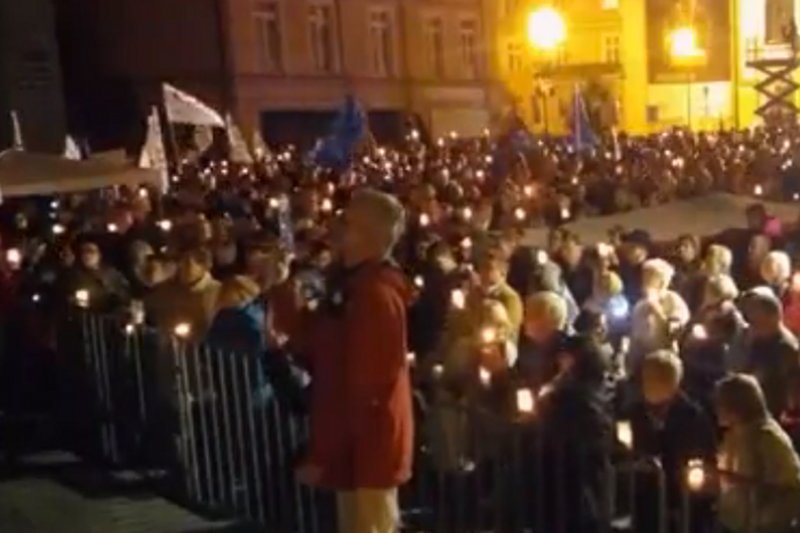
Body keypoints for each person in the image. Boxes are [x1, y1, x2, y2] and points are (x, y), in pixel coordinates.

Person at [296, 189, 413, 533]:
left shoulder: (374, 297)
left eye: (345, 221)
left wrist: (325, 453)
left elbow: (367, 388)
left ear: (366, 233)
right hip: (353, 446)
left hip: (368, 446)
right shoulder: (352, 287)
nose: (335, 226)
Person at [629, 350, 716, 532]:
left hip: (681, 497)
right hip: (646, 493)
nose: (650, 384)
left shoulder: (692, 415)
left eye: (658, 378)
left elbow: (700, 453)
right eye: (648, 377)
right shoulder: (635, 411)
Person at [537, 336, 613, 533]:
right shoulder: (585, 388)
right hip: (573, 471)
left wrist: (549, 400)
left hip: (572, 472)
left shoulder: (574, 396)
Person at [715, 374, 800, 533]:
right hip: (735, 523)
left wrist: (740, 481)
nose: (718, 410)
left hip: (765, 525)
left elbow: (789, 485)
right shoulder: (733, 435)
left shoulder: (768, 438)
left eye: (722, 404)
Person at [740, 288, 800, 419]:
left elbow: (792, 393)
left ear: (774, 318)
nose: (753, 326)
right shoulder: (759, 341)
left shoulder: (786, 349)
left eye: (758, 321)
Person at [628, 258, 690, 377]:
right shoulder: (640, 305)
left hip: (663, 364)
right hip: (639, 364)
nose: (643, 281)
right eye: (643, 276)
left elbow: (673, 332)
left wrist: (655, 308)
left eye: (649, 276)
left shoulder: (673, 300)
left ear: (662, 281)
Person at [145, 246, 222, 339]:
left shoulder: (217, 291)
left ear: (203, 267)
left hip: (201, 346)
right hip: (170, 344)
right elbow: (151, 306)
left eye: (187, 263)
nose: (182, 267)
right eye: (180, 262)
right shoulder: (166, 289)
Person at [517, 291, 570, 389]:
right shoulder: (528, 348)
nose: (523, 321)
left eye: (530, 315)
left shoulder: (567, 354)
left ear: (546, 320)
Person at [63, 240, 131, 312]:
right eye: (83, 252)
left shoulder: (111, 274)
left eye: (91, 251)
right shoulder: (73, 275)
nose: (87, 255)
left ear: (99, 255)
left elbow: (124, 294)